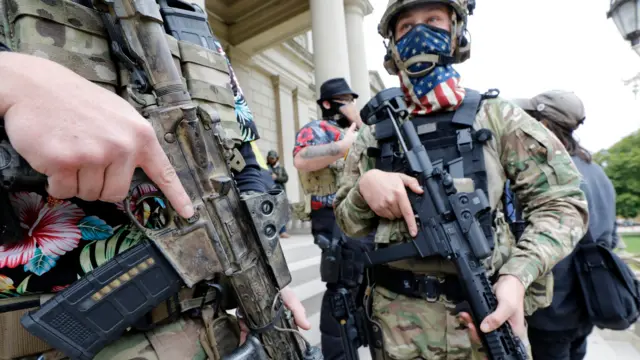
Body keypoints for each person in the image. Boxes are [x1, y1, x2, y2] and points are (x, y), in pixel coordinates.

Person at [0, 1, 307, 359]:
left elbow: (243, 164)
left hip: (212, 332)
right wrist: (12, 79)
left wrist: (269, 276)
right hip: (49, 342)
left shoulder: (193, 27)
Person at [333, 1, 589, 359]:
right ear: (391, 44)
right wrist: (365, 188)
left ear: (456, 34)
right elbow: (347, 221)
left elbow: (563, 204)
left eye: (433, 21)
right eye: (406, 27)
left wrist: (517, 276)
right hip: (398, 331)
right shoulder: (373, 135)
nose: (419, 33)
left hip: (485, 321)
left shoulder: (496, 117)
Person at [513, 90, 618, 360]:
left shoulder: (550, 174)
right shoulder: (595, 169)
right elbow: (611, 238)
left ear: (545, 125)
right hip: (590, 301)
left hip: (553, 310)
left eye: (532, 118)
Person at [293, 78, 372, 359]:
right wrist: (342, 146)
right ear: (328, 104)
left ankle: (358, 340)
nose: (350, 105)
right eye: (344, 100)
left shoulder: (360, 131)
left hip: (363, 216)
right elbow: (301, 158)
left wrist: (360, 128)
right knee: (342, 284)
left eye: (352, 99)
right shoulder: (317, 129)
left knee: (366, 285)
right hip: (332, 217)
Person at [267, 150, 291, 238]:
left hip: (280, 193)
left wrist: (276, 178)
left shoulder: (281, 168)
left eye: (273, 158)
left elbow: (286, 178)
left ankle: (282, 231)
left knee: (281, 212)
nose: (271, 160)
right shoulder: (266, 168)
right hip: (269, 192)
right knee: (270, 212)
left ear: (276, 158)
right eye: (270, 158)